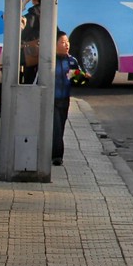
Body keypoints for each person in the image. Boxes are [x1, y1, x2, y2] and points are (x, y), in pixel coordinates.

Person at [50, 30, 88, 166]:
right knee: (56, 128)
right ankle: (57, 156)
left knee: (60, 127)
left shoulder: (72, 61)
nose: (66, 45)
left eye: (67, 42)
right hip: (50, 100)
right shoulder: (48, 60)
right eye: (62, 42)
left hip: (64, 100)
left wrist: (83, 78)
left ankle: (53, 152)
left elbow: (77, 80)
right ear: (54, 44)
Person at [20, 0, 43, 84]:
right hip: (44, 51)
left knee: (29, 79)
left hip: (32, 51)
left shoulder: (33, 13)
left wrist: (24, 2)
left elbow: (23, 29)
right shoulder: (49, 11)